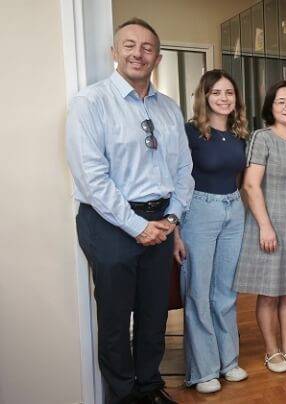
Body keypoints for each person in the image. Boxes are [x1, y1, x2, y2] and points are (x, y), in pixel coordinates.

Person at [66, 18, 191, 404]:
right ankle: (122, 396)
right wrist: (137, 226)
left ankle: (149, 388)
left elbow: (184, 170)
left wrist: (171, 218)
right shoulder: (91, 103)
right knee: (116, 319)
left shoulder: (169, 109)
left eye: (147, 48)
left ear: (158, 58)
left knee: (154, 314)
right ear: (114, 53)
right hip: (110, 223)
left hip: (161, 220)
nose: (138, 53)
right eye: (129, 45)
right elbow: (92, 178)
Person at [171, 69, 249, 393]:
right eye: (216, 92)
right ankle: (203, 371)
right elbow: (175, 178)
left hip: (234, 209)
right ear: (204, 97)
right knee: (198, 291)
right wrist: (175, 231)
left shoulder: (240, 133)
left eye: (229, 92)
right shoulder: (189, 132)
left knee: (226, 292)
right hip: (199, 211)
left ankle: (228, 361)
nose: (223, 98)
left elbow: (240, 177)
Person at [233, 80, 286, 374]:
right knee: (269, 292)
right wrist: (265, 226)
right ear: (271, 106)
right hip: (267, 224)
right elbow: (250, 185)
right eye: (281, 102)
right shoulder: (262, 138)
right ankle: (271, 351)